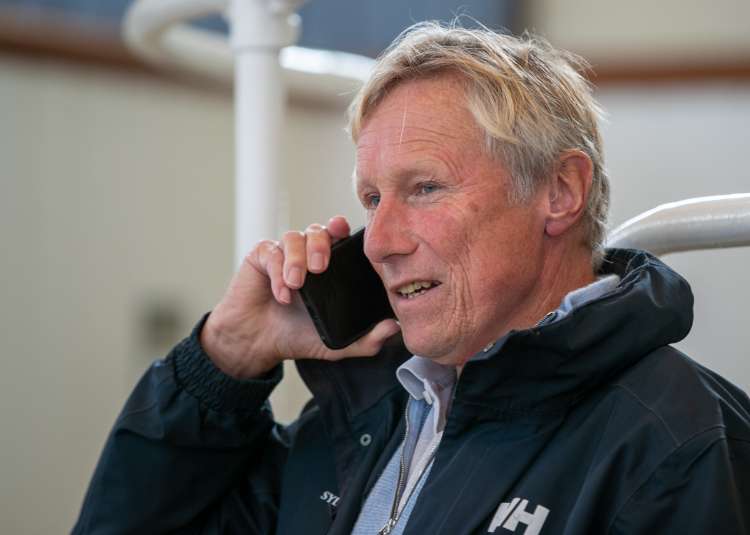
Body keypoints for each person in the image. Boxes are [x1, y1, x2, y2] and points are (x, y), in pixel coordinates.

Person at [73, 22, 750, 535]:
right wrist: (224, 358)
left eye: (425, 188)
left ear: (560, 192)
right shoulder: (360, 418)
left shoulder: (677, 442)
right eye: (372, 199)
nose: (380, 242)